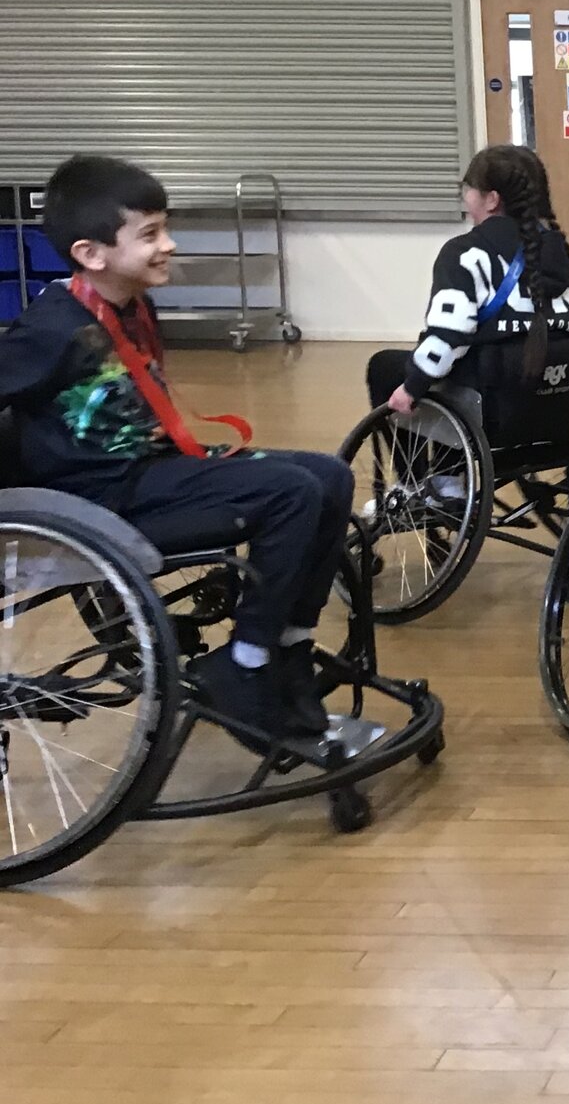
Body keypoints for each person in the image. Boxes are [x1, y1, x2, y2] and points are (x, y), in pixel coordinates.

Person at [0, 156, 356, 753]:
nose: (168, 245)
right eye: (149, 234)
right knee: (290, 493)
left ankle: (288, 643)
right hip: (99, 499)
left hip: (150, 468)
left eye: (164, 228)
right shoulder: (52, 329)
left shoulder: (132, 302)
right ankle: (244, 663)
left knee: (330, 476)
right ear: (92, 254)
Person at [367, 144, 569, 417]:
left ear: (491, 200)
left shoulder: (465, 253)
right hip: (554, 396)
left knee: (384, 367)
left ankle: (409, 461)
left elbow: (450, 333)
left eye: (468, 189)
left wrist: (411, 388)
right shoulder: (562, 255)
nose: (466, 198)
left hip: (489, 396)